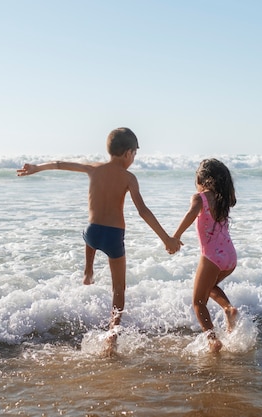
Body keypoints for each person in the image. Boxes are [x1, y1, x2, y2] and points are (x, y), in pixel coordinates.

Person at [17, 127, 181, 339]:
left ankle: (88, 272)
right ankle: (113, 332)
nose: (134, 159)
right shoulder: (129, 178)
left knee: (89, 234)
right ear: (128, 153)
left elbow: (59, 164)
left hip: (92, 233)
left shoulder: (93, 168)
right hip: (114, 237)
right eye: (135, 154)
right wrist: (166, 238)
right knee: (119, 289)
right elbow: (143, 211)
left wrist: (36, 168)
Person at [173, 158, 238, 353]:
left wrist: (175, 236)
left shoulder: (200, 198)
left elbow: (192, 213)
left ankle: (212, 341)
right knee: (209, 288)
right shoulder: (222, 199)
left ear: (202, 180)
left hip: (212, 257)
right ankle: (228, 308)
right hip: (230, 256)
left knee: (198, 302)